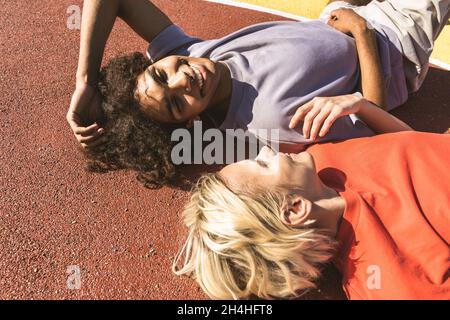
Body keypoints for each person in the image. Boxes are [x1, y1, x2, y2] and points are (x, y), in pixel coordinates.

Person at [67, 0, 449, 185]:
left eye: (162, 75)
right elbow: (375, 127)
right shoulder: (270, 122)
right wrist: (362, 33)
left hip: (340, 13)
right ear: (191, 121)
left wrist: (84, 80)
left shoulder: (194, 56)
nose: (182, 80)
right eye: (175, 103)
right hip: (393, 43)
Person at [173, 121, 450, 299]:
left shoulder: (322, 161)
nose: (266, 151)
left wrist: (362, 107)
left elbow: (414, 142)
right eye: (263, 165)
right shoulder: (388, 283)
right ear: (294, 209)